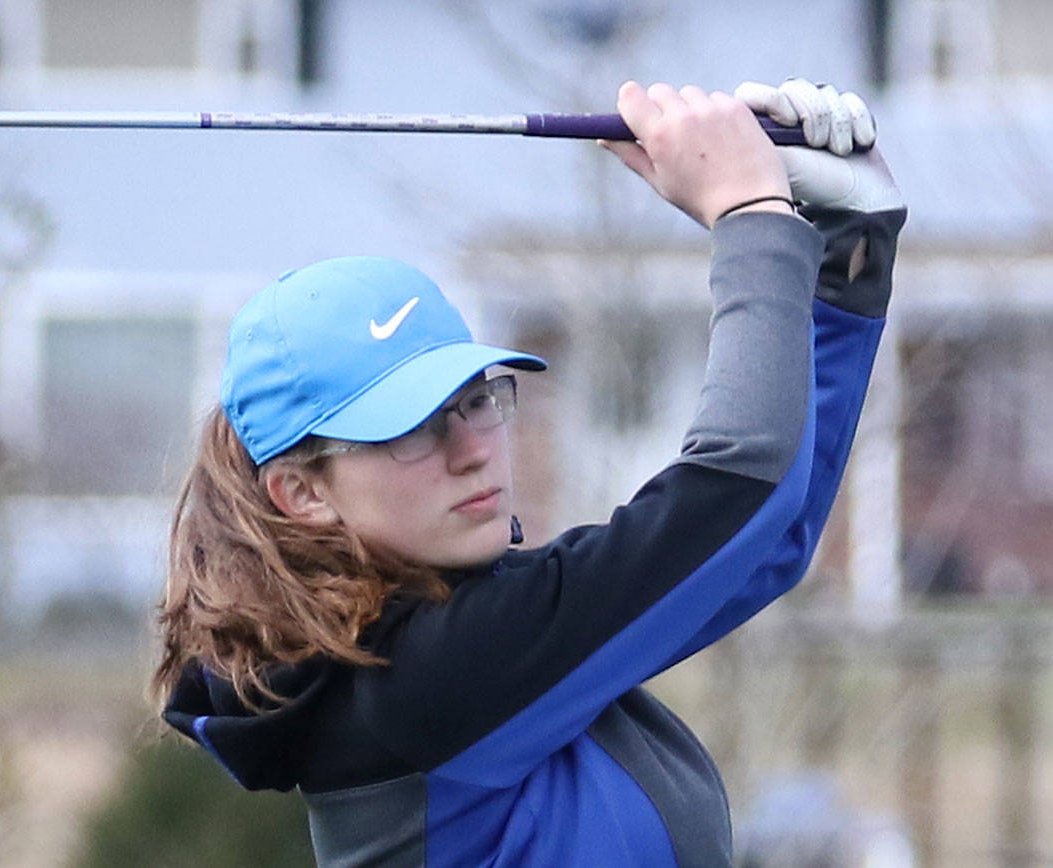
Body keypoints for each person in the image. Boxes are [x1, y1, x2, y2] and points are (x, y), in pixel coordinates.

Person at [151, 77, 907, 866]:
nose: (471, 448)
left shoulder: (470, 644)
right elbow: (739, 489)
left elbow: (759, 540)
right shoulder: (428, 679)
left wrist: (843, 255)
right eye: (411, 430)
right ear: (303, 493)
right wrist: (752, 216)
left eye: (475, 401)